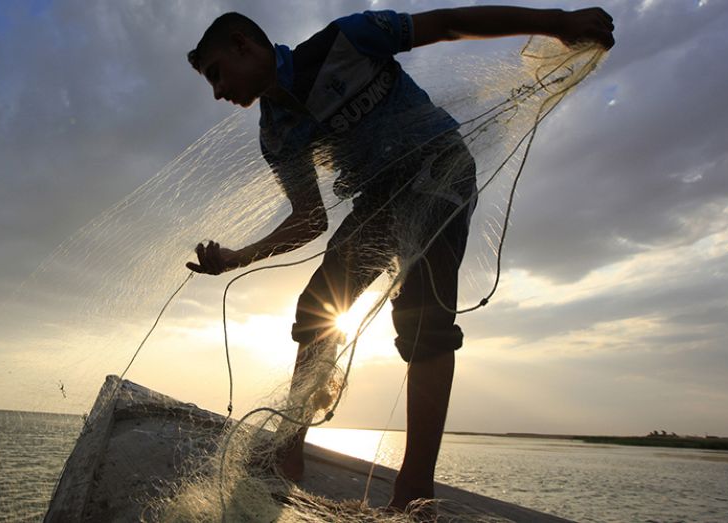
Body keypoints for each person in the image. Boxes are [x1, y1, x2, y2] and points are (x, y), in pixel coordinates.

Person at [184, 6, 613, 510]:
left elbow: (447, 26)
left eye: (216, 74)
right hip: (380, 201)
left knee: (422, 322)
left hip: (440, 167)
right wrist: (237, 257)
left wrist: (559, 24)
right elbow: (309, 219)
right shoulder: (276, 133)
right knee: (318, 307)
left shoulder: (348, 39)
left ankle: (414, 492)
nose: (217, 92)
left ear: (242, 45)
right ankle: (288, 453)